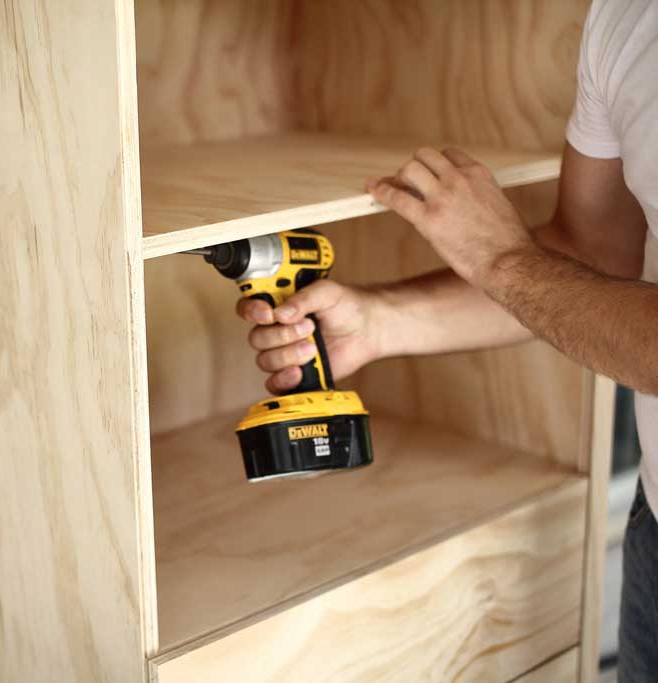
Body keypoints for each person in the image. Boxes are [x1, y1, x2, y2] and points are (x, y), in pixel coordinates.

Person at [237, 0, 658, 678]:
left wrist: (503, 258)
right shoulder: (626, 19)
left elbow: (527, 271)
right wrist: (381, 319)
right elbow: (593, 256)